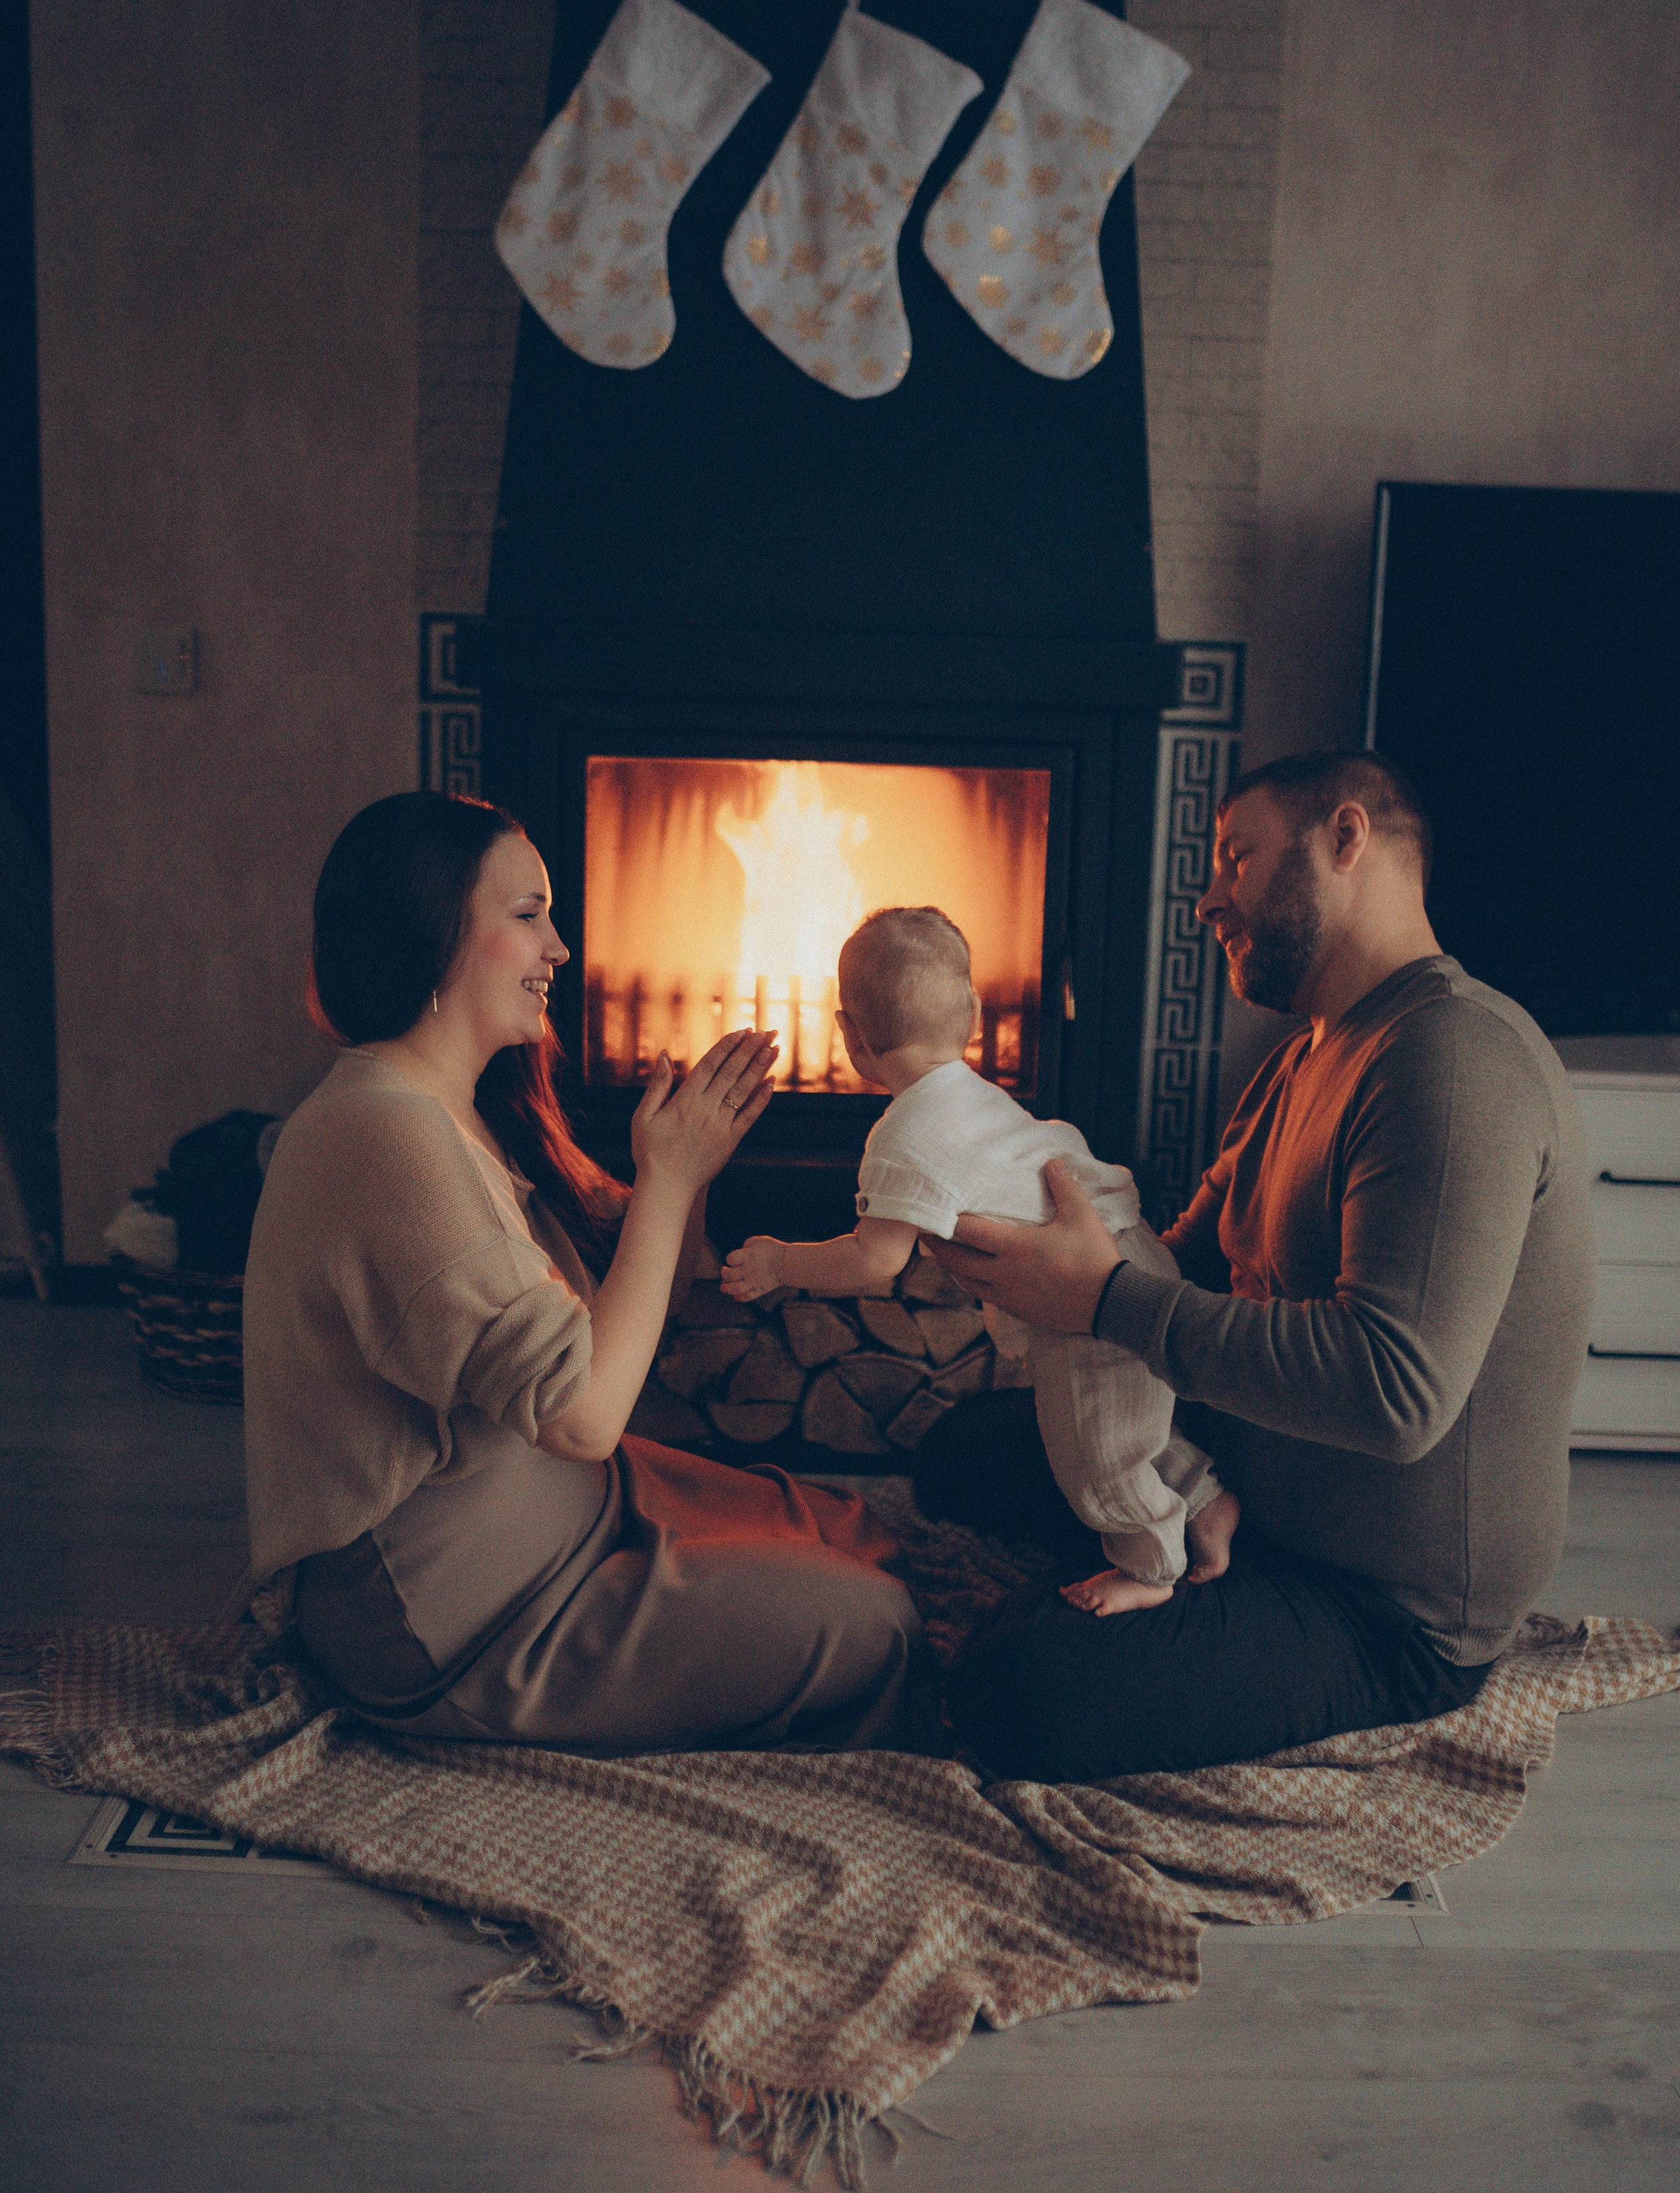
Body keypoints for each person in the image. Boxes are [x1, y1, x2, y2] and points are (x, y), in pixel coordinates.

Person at [920, 751, 1597, 1783]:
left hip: (1385, 1606)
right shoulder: (1307, 1057)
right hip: (1245, 1487)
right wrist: (1029, 1231)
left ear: (1346, 838)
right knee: (959, 1457)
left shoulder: (1453, 1059)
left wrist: (1102, 1296)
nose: (1208, 900)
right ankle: (1182, 1562)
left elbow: (1395, 1391)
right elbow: (1181, 1267)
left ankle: (1151, 1614)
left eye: (1236, 858)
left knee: (1015, 1693)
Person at [243, 790, 933, 1755]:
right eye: (529, 916)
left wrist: (688, 1171)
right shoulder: (384, 1132)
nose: (559, 949)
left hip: (575, 1510)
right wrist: (669, 1176)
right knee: (875, 1627)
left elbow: (652, 1299)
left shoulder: (461, 1105)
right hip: (464, 1617)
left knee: (862, 1532)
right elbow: (584, 1415)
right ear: (434, 937)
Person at [723, 907, 1240, 1612]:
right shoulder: (972, 1095)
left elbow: (875, 1259)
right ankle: (1204, 1502)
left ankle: (1152, 1566)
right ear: (972, 1013)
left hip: (1087, 1297)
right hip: (1133, 1255)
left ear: (849, 1036)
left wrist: (782, 1261)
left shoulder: (903, 1135)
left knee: (1093, 1454)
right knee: (1125, 1420)